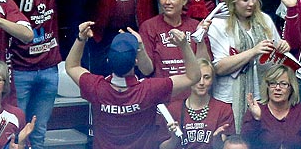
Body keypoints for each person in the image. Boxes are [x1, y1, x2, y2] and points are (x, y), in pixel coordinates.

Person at [65, 16, 200, 149]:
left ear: (108, 60)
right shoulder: (150, 89)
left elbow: (71, 66)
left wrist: (81, 38)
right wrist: (184, 45)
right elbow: (193, 77)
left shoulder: (95, 87)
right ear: (136, 62)